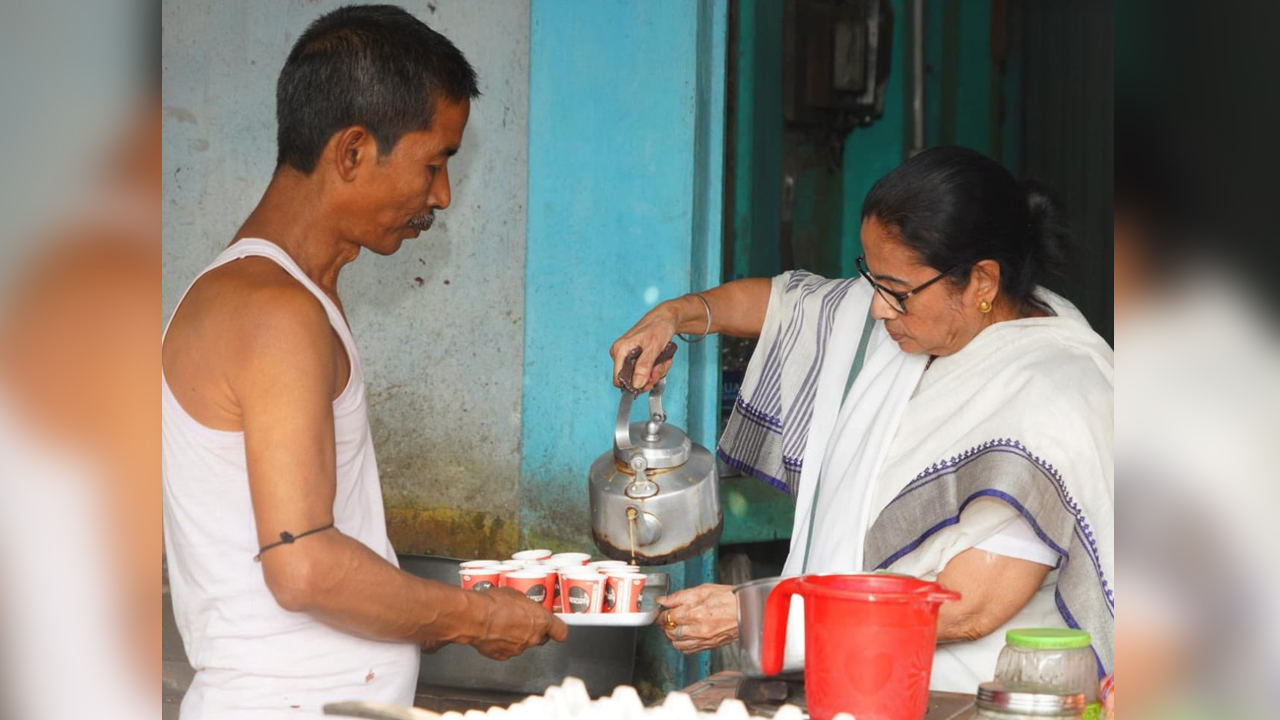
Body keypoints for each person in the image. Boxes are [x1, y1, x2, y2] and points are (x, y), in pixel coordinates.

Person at [162, 6, 565, 718]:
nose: (441, 194)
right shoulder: (275, 312)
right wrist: (475, 618)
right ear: (351, 152)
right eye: (434, 163)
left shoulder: (285, 297)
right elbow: (304, 566)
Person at [611, 146, 1113, 691]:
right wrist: (673, 316)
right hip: (854, 680)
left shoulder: (1056, 394)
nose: (876, 308)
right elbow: (783, 304)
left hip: (970, 695)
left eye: (896, 292)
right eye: (871, 279)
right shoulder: (900, 320)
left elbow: (969, 607)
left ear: (983, 282)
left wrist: (772, 615)